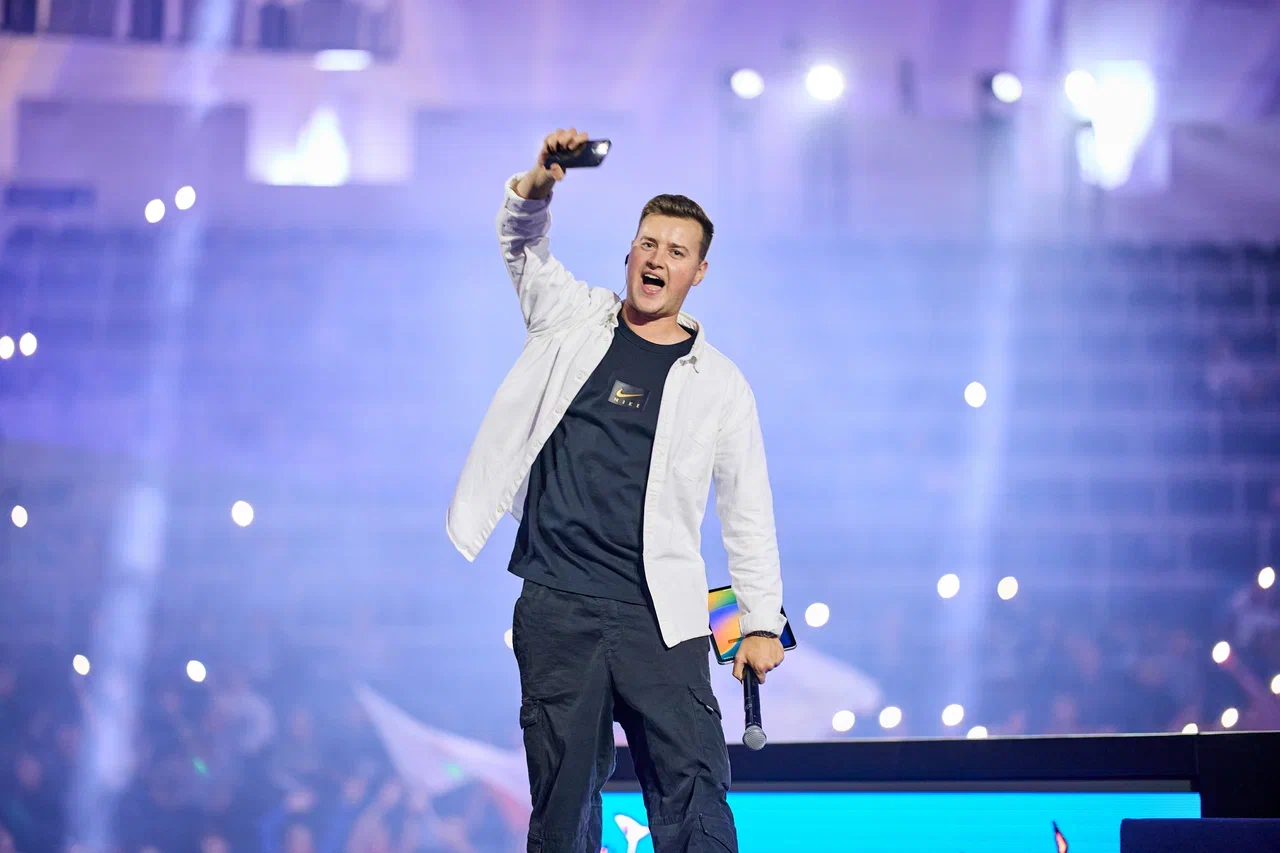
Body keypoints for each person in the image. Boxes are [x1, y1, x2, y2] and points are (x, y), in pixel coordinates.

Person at [447, 128, 786, 851]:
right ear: (629, 253)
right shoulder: (571, 318)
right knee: (563, 802)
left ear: (699, 272)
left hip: (662, 617)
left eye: (676, 251)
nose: (657, 258)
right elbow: (520, 243)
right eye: (648, 243)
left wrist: (760, 620)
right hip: (558, 604)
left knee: (694, 789)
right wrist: (540, 180)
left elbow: (748, 512)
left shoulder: (721, 384)